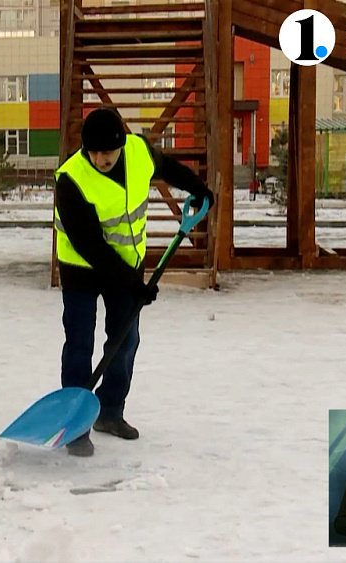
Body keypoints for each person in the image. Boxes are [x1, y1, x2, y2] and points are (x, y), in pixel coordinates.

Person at [54, 107, 214, 457]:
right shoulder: (70, 179)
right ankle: (75, 425)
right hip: (81, 268)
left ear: (121, 145)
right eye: (93, 152)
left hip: (127, 264)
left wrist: (198, 188)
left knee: (125, 340)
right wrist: (132, 283)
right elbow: (90, 246)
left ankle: (110, 411)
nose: (100, 159)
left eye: (107, 152)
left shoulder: (139, 151)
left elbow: (168, 168)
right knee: (80, 343)